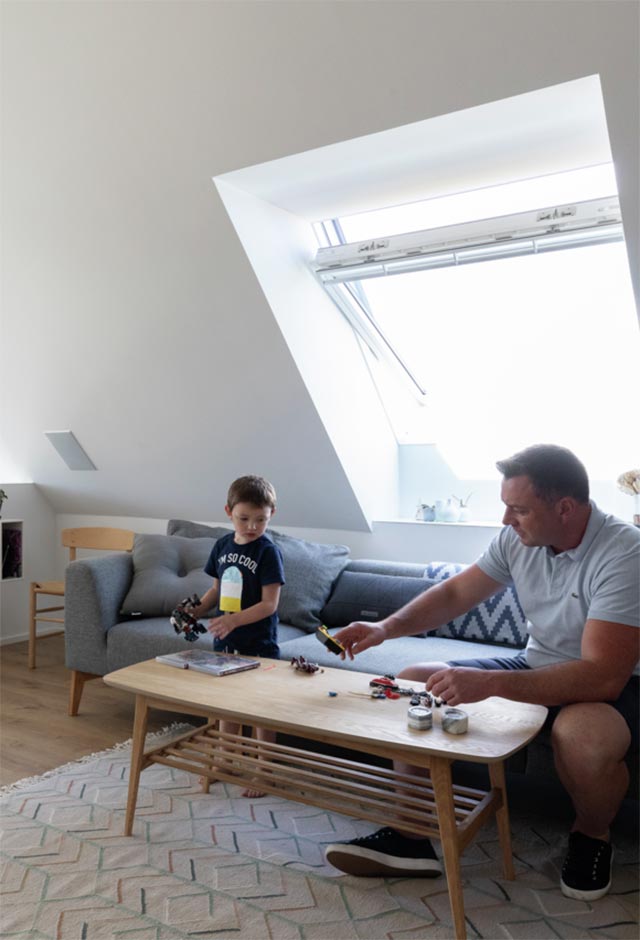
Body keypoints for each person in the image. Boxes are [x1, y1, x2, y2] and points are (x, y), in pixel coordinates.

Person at [324, 445, 639, 901]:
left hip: (610, 685)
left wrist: (490, 684)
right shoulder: (518, 539)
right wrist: (385, 627)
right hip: (536, 665)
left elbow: (602, 676)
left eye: (519, 509)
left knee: (583, 738)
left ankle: (592, 836)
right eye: (506, 507)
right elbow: (455, 594)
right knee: (414, 679)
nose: (507, 520)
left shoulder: (624, 554)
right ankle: (411, 836)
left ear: (565, 509)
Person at [193, 474, 285, 797]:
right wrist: (198, 609)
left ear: (272, 514)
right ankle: (227, 760)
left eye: (260, 519)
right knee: (227, 706)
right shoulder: (221, 546)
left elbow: (270, 605)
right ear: (228, 512)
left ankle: (265, 771)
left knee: (260, 709)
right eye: (244, 518)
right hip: (225, 644)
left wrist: (233, 622)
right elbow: (217, 590)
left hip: (258, 645)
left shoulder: (268, 552)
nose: (252, 526)